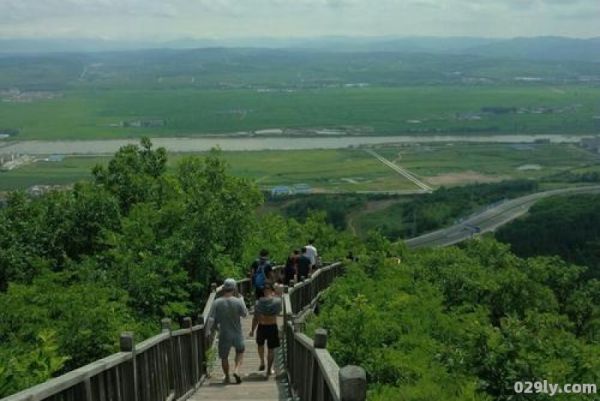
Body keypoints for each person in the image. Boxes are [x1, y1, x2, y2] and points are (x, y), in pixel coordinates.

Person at [208, 278, 248, 384]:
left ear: (224, 289)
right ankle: (236, 370)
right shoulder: (238, 301)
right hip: (237, 332)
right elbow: (245, 314)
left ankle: (227, 377)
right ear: (234, 288)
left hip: (224, 333)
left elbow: (211, 319)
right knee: (240, 351)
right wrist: (242, 299)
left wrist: (207, 331)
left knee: (224, 357)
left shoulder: (217, 302)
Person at [248, 282, 282, 379]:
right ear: (272, 291)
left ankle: (262, 361)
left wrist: (252, 330)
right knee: (271, 350)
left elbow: (256, 318)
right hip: (272, 326)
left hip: (262, 326)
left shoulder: (258, 303)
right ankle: (268, 371)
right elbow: (278, 312)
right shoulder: (277, 301)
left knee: (260, 345)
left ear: (264, 291)